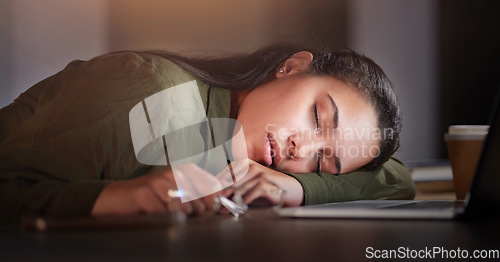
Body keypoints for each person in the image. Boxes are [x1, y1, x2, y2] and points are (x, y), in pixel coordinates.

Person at [0, 43, 415, 224]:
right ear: (292, 65)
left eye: (323, 162)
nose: (300, 149)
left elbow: (396, 179)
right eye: (317, 118)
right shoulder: (150, 93)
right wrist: (113, 199)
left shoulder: (233, 157)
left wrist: (297, 189)